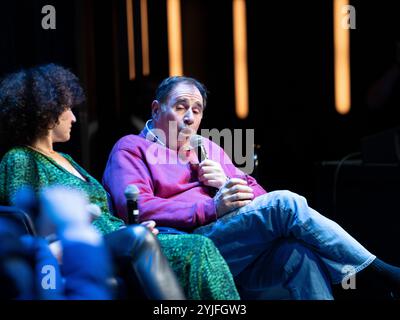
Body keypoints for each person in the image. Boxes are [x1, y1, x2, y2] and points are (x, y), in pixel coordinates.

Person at [103, 76, 400, 299]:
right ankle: (379, 273)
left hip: (233, 241)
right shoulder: (132, 148)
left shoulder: (206, 148)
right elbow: (137, 208)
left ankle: (374, 274)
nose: (190, 117)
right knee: (286, 203)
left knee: (298, 255)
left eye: (197, 109)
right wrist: (212, 207)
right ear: (156, 110)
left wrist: (226, 183)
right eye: (181, 107)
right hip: (187, 244)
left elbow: (259, 197)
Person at [0, 64, 240, 300]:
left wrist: (131, 230)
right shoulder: (20, 157)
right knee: (196, 248)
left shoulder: (67, 159)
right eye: (67, 109)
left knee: (198, 245)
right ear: (46, 112)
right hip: (87, 244)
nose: (73, 117)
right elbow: (22, 219)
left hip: (118, 235)